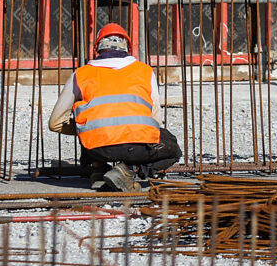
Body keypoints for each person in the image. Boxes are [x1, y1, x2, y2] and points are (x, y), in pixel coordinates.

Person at [47, 22, 182, 191]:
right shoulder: (145, 71)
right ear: (127, 48)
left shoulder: (81, 74)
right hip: (136, 148)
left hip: (97, 149)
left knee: (85, 118)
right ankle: (130, 170)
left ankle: (98, 169)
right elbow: (154, 120)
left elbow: (55, 122)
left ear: (98, 48)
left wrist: (87, 129)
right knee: (173, 148)